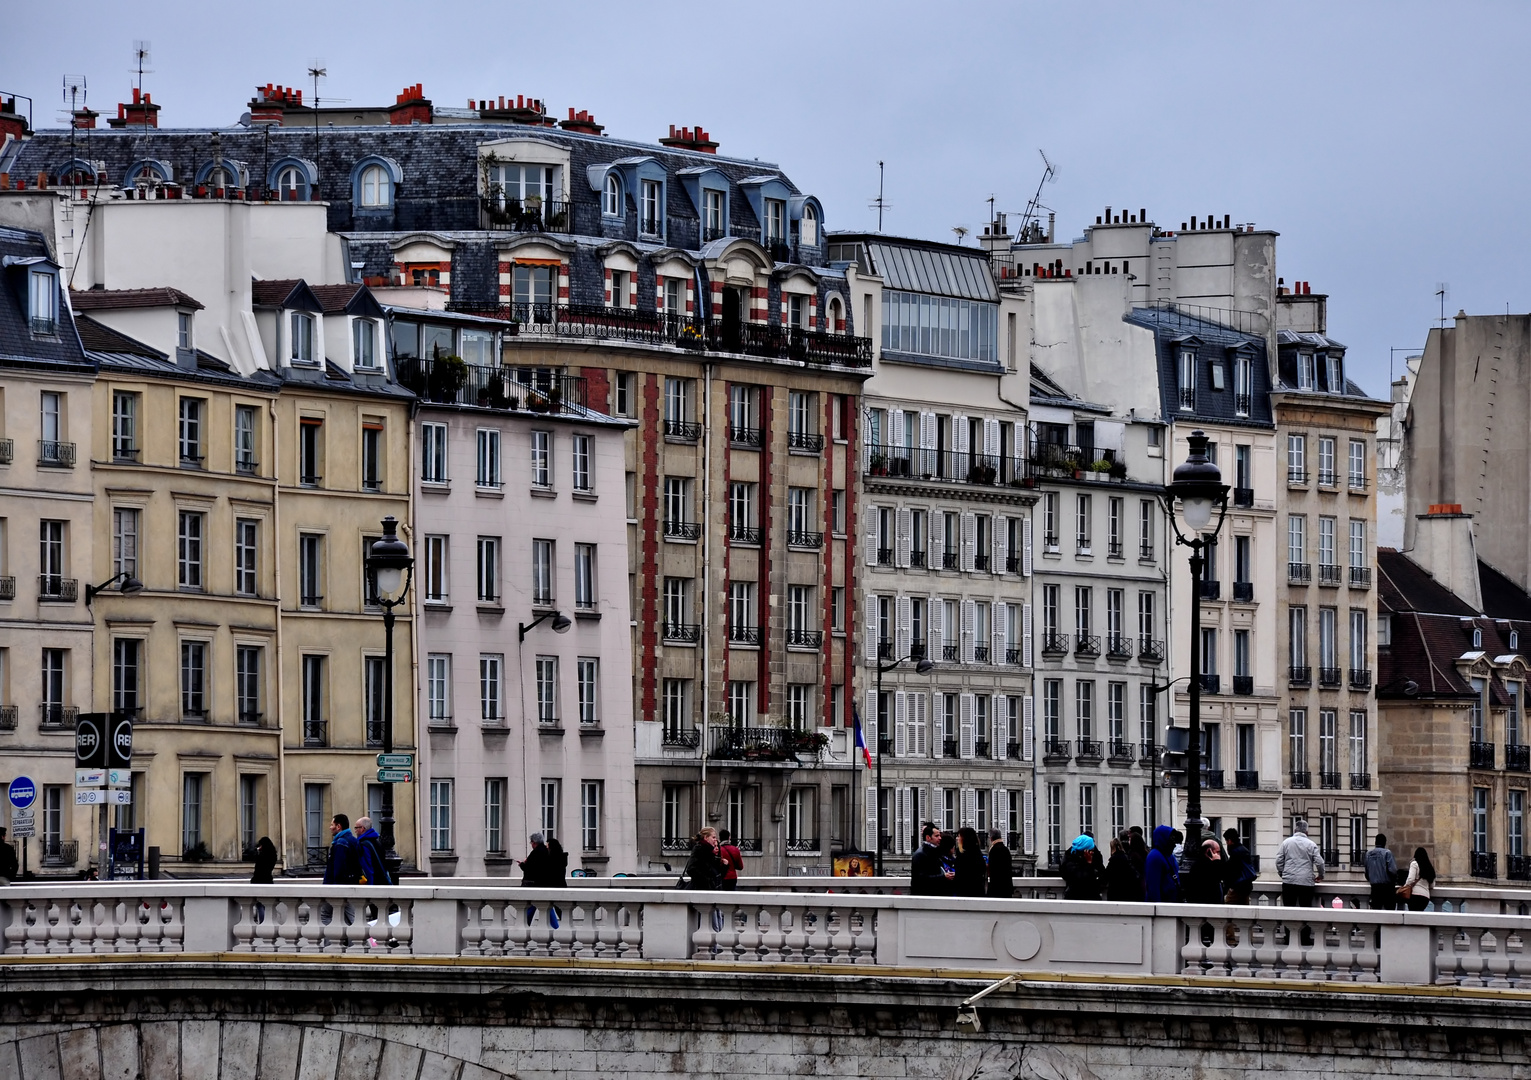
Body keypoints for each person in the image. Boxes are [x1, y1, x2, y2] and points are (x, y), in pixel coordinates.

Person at [1275, 819, 1323, 907]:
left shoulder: (1286, 842)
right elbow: (1319, 862)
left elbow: (1279, 860)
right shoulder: (1311, 844)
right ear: (1306, 832)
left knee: (1288, 909)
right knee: (1305, 909)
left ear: (1295, 830)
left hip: (1289, 881)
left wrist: (1283, 873)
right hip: (1306, 881)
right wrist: (1320, 875)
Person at [910, 823, 954, 895]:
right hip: (925, 896)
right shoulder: (921, 854)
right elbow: (921, 878)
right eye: (937, 836)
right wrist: (943, 876)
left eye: (939, 835)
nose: (940, 838)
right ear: (928, 837)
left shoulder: (932, 851)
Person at [1059, 835, 1104, 900]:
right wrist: (1089, 864)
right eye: (1091, 850)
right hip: (1076, 896)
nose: (1092, 853)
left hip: (1089, 896)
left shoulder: (1070, 857)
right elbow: (1081, 878)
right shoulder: (1070, 860)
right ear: (1085, 851)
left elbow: (1102, 873)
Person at [1144, 825, 1181, 902]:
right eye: (1172, 838)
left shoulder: (1169, 855)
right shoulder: (1155, 856)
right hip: (1164, 905)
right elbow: (1153, 888)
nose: (1174, 843)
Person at [353, 817, 393, 887]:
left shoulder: (364, 845)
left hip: (374, 884)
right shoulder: (377, 842)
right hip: (382, 882)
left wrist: (370, 888)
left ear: (362, 829)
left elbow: (368, 868)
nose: (355, 831)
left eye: (356, 828)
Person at [322, 814, 361, 885]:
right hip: (352, 882)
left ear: (338, 827)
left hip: (341, 887)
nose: (330, 827)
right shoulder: (354, 840)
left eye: (332, 825)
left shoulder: (340, 843)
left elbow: (338, 869)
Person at [1185, 837, 1226, 904]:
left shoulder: (1202, 864)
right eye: (1217, 852)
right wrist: (1217, 862)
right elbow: (1216, 877)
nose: (1219, 855)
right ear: (1209, 851)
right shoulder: (1202, 866)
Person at [1365, 834, 1399, 911]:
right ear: (1384, 842)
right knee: (1390, 913)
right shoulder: (1387, 853)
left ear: (1375, 842)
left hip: (1374, 888)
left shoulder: (1368, 854)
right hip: (1387, 888)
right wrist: (1394, 880)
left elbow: (1367, 873)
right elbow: (1392, 870)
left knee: (1376, 911)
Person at [1222, 828, 1256, 904]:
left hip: (1238, 886)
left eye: (1226, 841)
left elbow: (1232, 871)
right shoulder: (1244, 850)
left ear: (1230, 840)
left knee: (1229, 905)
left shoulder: (1234, 852)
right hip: (1247, 886)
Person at [1105, 832, 1142, 902]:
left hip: (1115, 893)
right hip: (1127, 893)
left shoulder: (1114, 860)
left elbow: (1106, 876)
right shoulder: (1126, 858)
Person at [952, 827, 988, 896]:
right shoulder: (978, 853)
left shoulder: (963, 855)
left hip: (965, 892)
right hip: (977, 892)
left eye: (959, 836)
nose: (957, 838)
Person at [1399, 847, 1435, 912]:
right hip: (1425, 897)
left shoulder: (1414, 863)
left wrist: (1405, 886)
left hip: (1415, 895)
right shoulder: (1429, 867)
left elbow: (1410, 879)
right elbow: (1432, 885)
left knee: (1412, 917)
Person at [985, 828, 1014, 898]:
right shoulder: (1005, 849)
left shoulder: (994, 850)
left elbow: (993, 870)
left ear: (991, 838)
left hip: (997, 888)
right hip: (1006, 887)